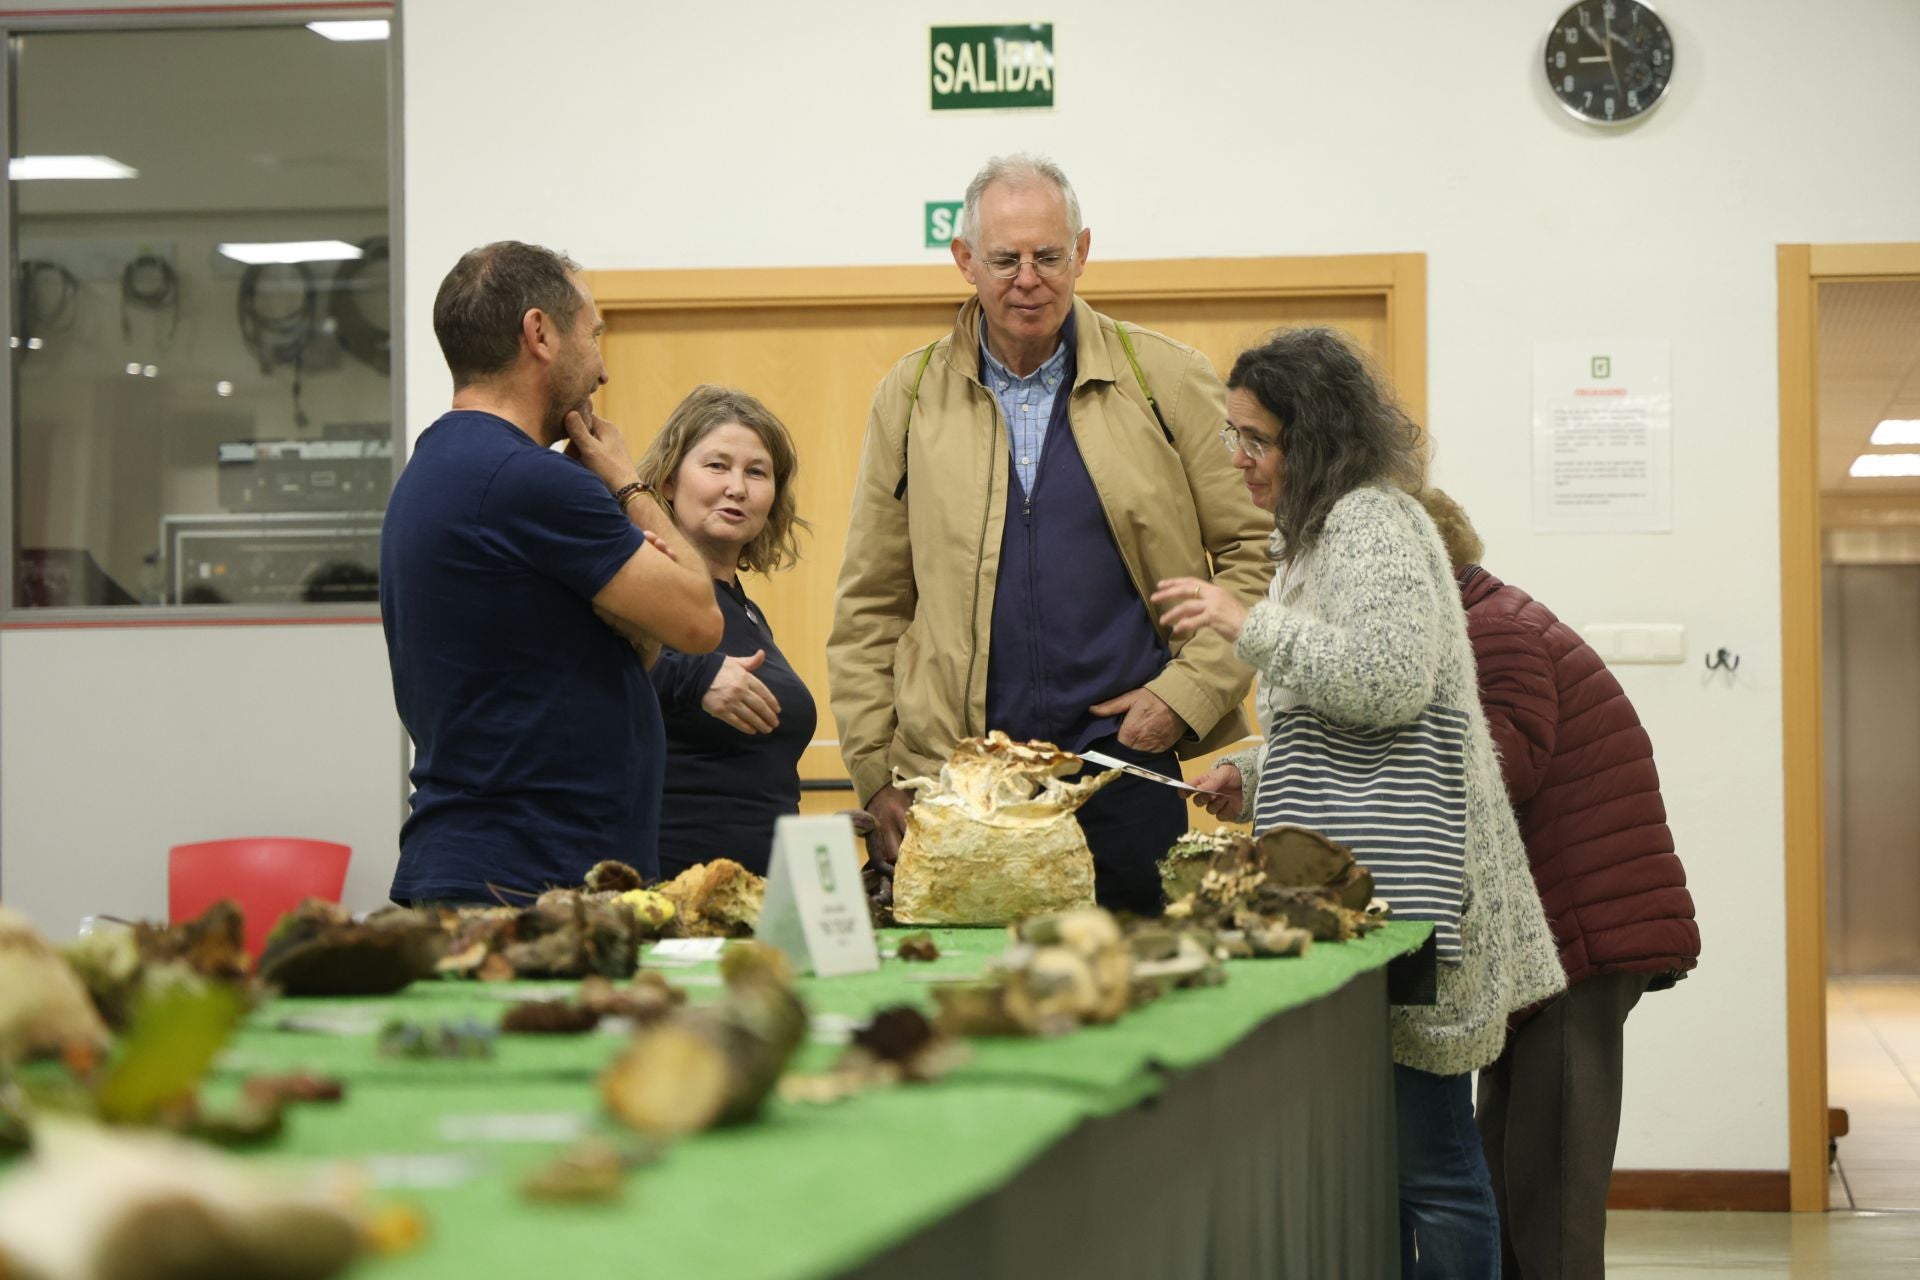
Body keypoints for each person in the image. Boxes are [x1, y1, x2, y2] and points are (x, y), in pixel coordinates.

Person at [1155, 328, 1565, 1278]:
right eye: (1234, 437)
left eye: (1257, 440)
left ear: (1319, 436)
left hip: (1417, 900)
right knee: (1390, 1163)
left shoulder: (1374, 523)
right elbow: (1339, 718)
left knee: (1432, 1167)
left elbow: (1388, 683)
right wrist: (1249, 777)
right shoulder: (1317, 534)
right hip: (1373, 891)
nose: (1241, 460)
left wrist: (1243, 622)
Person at [828, 153, 1271, 915]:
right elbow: (871, 600)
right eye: (1004, 258)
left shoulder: (1167, 379)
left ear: (1083, 252)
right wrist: (874, 770)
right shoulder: (908, 395)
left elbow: (1252, 555)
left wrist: (1186, 694)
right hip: (962, 787)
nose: (1027, 277)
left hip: (1124, 774)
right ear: (965, 260)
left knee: (1144, 1009)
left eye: (1048, 256)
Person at [380, 241, 723, 905]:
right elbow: (699, 618)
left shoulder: (439, 467)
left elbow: (628, 651)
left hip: (501, 868)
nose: (601, 369)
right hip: (525, 881)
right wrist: (625, 477)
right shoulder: (525, 480)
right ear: (539, 333)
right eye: (592, 335)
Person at [1417, 486, 1701, 1280]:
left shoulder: (1494, 631)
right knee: (1511, 1173)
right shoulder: (1487, 619)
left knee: (1553, 1202)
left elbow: (1503, 765)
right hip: (1553, 940)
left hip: (1578, 942)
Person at [638, 385, 817, 877]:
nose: (737, 487)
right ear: (669, 481)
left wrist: (807, 835)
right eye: (717, 466)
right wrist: (693, 677)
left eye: (756, 472)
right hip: (669, 898)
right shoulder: (636, 584)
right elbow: (590, 674)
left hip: (760, 898)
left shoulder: (747, 612)